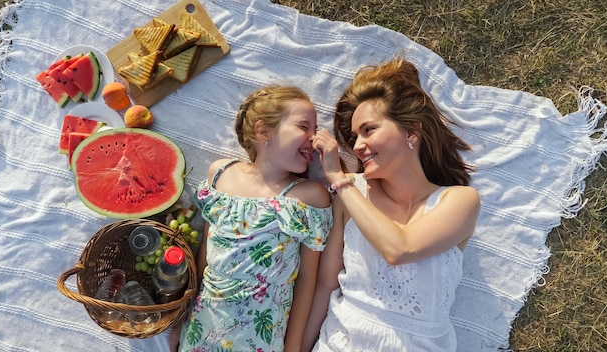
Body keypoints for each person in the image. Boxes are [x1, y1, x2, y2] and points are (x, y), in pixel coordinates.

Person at [303, 58, 481, 351]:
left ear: (411, 131)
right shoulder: (350, 194)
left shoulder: (459, 200)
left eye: (368, 130)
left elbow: (400, 249)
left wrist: (338, 178)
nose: (357, 146)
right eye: (354, 137)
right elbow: (326, 285)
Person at [169, 85, 333, 351]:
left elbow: (306, 279)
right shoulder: (221, 174)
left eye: (315, 131)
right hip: (202, 328)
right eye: (304, 127)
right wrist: (181, 320)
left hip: (260, 339)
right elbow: (205, 256)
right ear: (263, 131)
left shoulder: (309, 198)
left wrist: (293, 347)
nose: (314, 139)